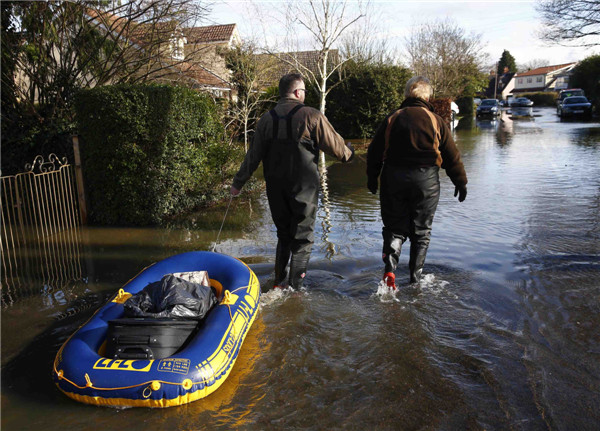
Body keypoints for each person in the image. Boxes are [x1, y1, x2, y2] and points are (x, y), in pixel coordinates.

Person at [231, 73, 354, 289]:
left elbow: (253, 157)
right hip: (304, 189)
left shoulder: (265, 120)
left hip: (276, 190)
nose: (304, 95)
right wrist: (349, 153)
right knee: (303, 239)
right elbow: (339, 151)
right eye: (304, 91)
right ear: (298, 92)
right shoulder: (312, 116)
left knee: (284, 236)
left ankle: (278, 283)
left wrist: (238, 183)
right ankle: (296, 291)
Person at [366, 76, 468, 288]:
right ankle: (415, 278)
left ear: (406, 95)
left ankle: (390, 272)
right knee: (421, 232)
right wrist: (460, 182)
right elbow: (451, 156)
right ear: (427, 96)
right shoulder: (435, 120)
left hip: (393, 177)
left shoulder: (392, 118)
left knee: (394, 228)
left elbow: (374, 152)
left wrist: (372, 177)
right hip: (426, 180)